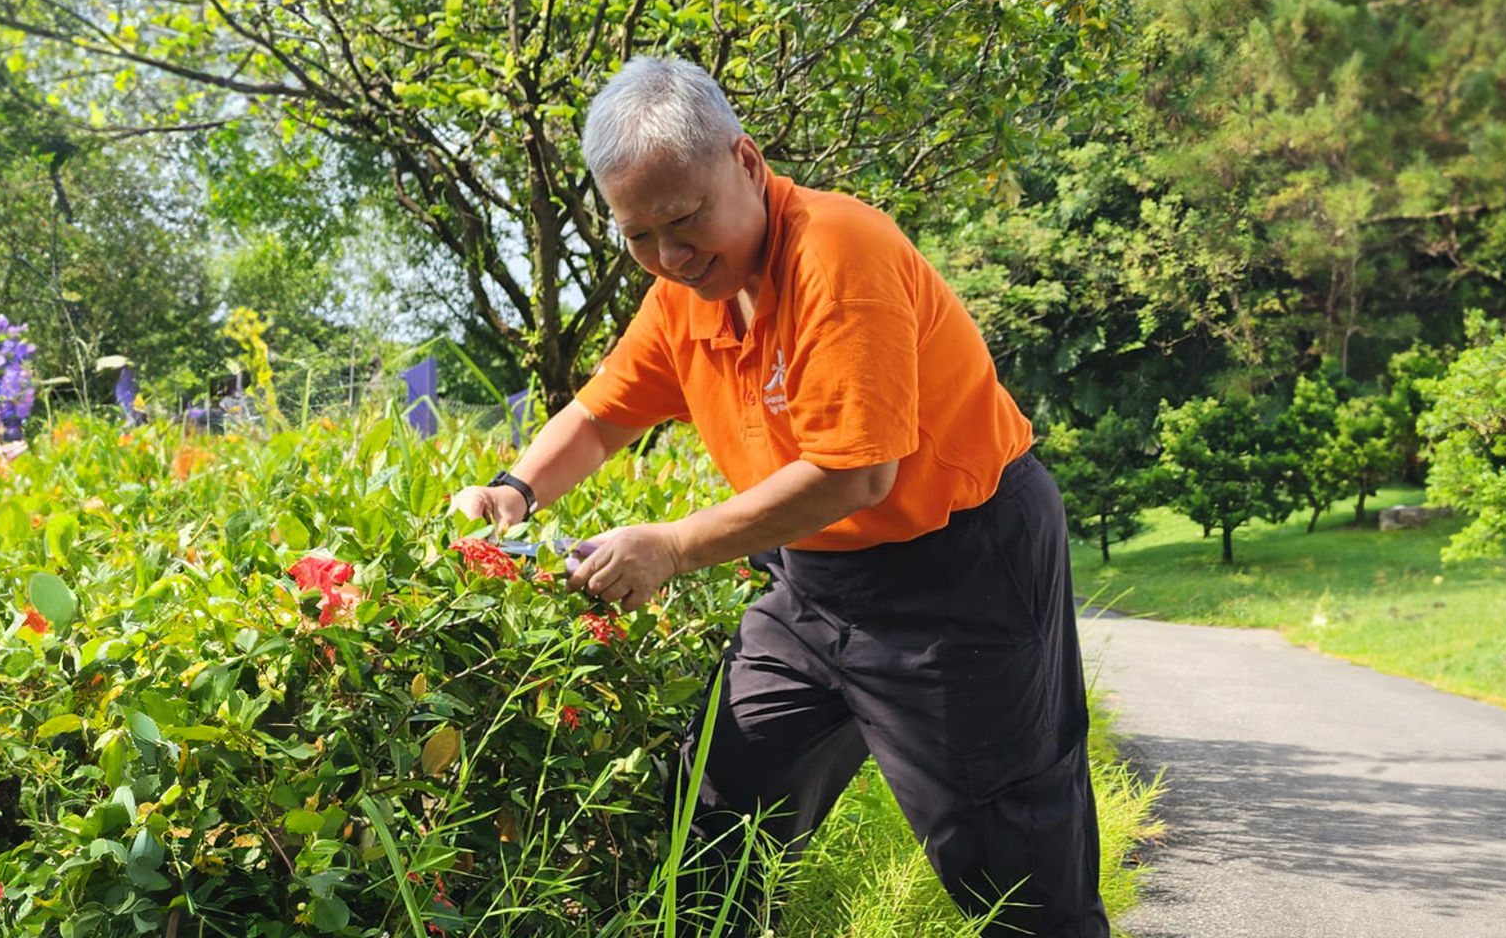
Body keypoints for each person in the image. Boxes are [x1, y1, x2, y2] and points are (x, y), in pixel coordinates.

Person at [449, 56, 1108, 938]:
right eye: (637, 236)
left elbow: (856, 472)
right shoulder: (682, 295)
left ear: (747, 163)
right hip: (812, 584)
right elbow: (603, 416)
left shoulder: (841, 251)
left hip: (961, 574)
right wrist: (515, 489)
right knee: (718, 815)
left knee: (1013, 860)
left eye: (683, 221)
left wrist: (673, 545)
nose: (669, 259)